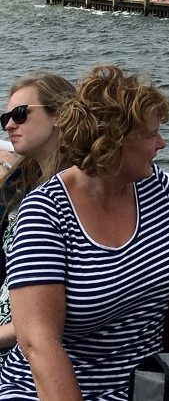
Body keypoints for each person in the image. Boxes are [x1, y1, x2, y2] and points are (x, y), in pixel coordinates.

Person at [0, 64, 169, 400]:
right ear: (111, 143)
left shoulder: (157, 188)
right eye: (151, 135)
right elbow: (39, 343)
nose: (162, 143)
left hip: (144, 388)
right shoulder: (46, 212)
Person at [0, 73, 76, 364]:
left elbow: (50, 317)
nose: (9, 124)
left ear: (59, 115)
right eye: (5, 117)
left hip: (22, 345)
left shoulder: (76, 194)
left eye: (20, 114)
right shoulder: (20, 181)